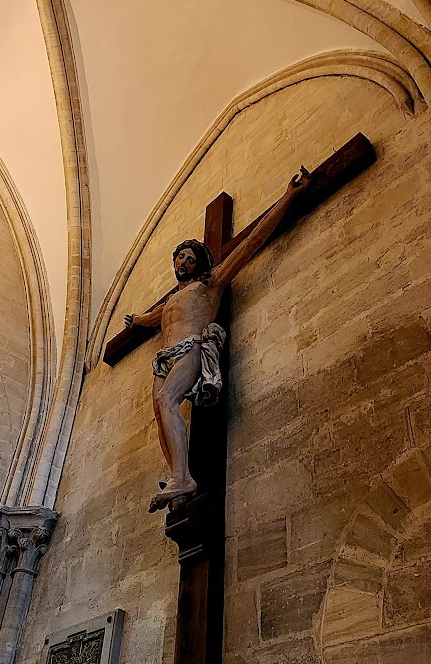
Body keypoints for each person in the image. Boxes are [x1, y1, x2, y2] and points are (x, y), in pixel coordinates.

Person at [125, 167, 311, 511]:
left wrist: (289, 196)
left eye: (190, 258)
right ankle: (177, 476)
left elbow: (254, 241)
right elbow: (151, 320)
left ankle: (184, 479)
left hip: (191, 347)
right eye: (180, 257)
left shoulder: (210, 285)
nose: (184, 262)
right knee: (159, 409)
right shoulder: (170, 301)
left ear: (200, 265)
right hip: (164, 358)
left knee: (167, 401)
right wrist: (135, 320)